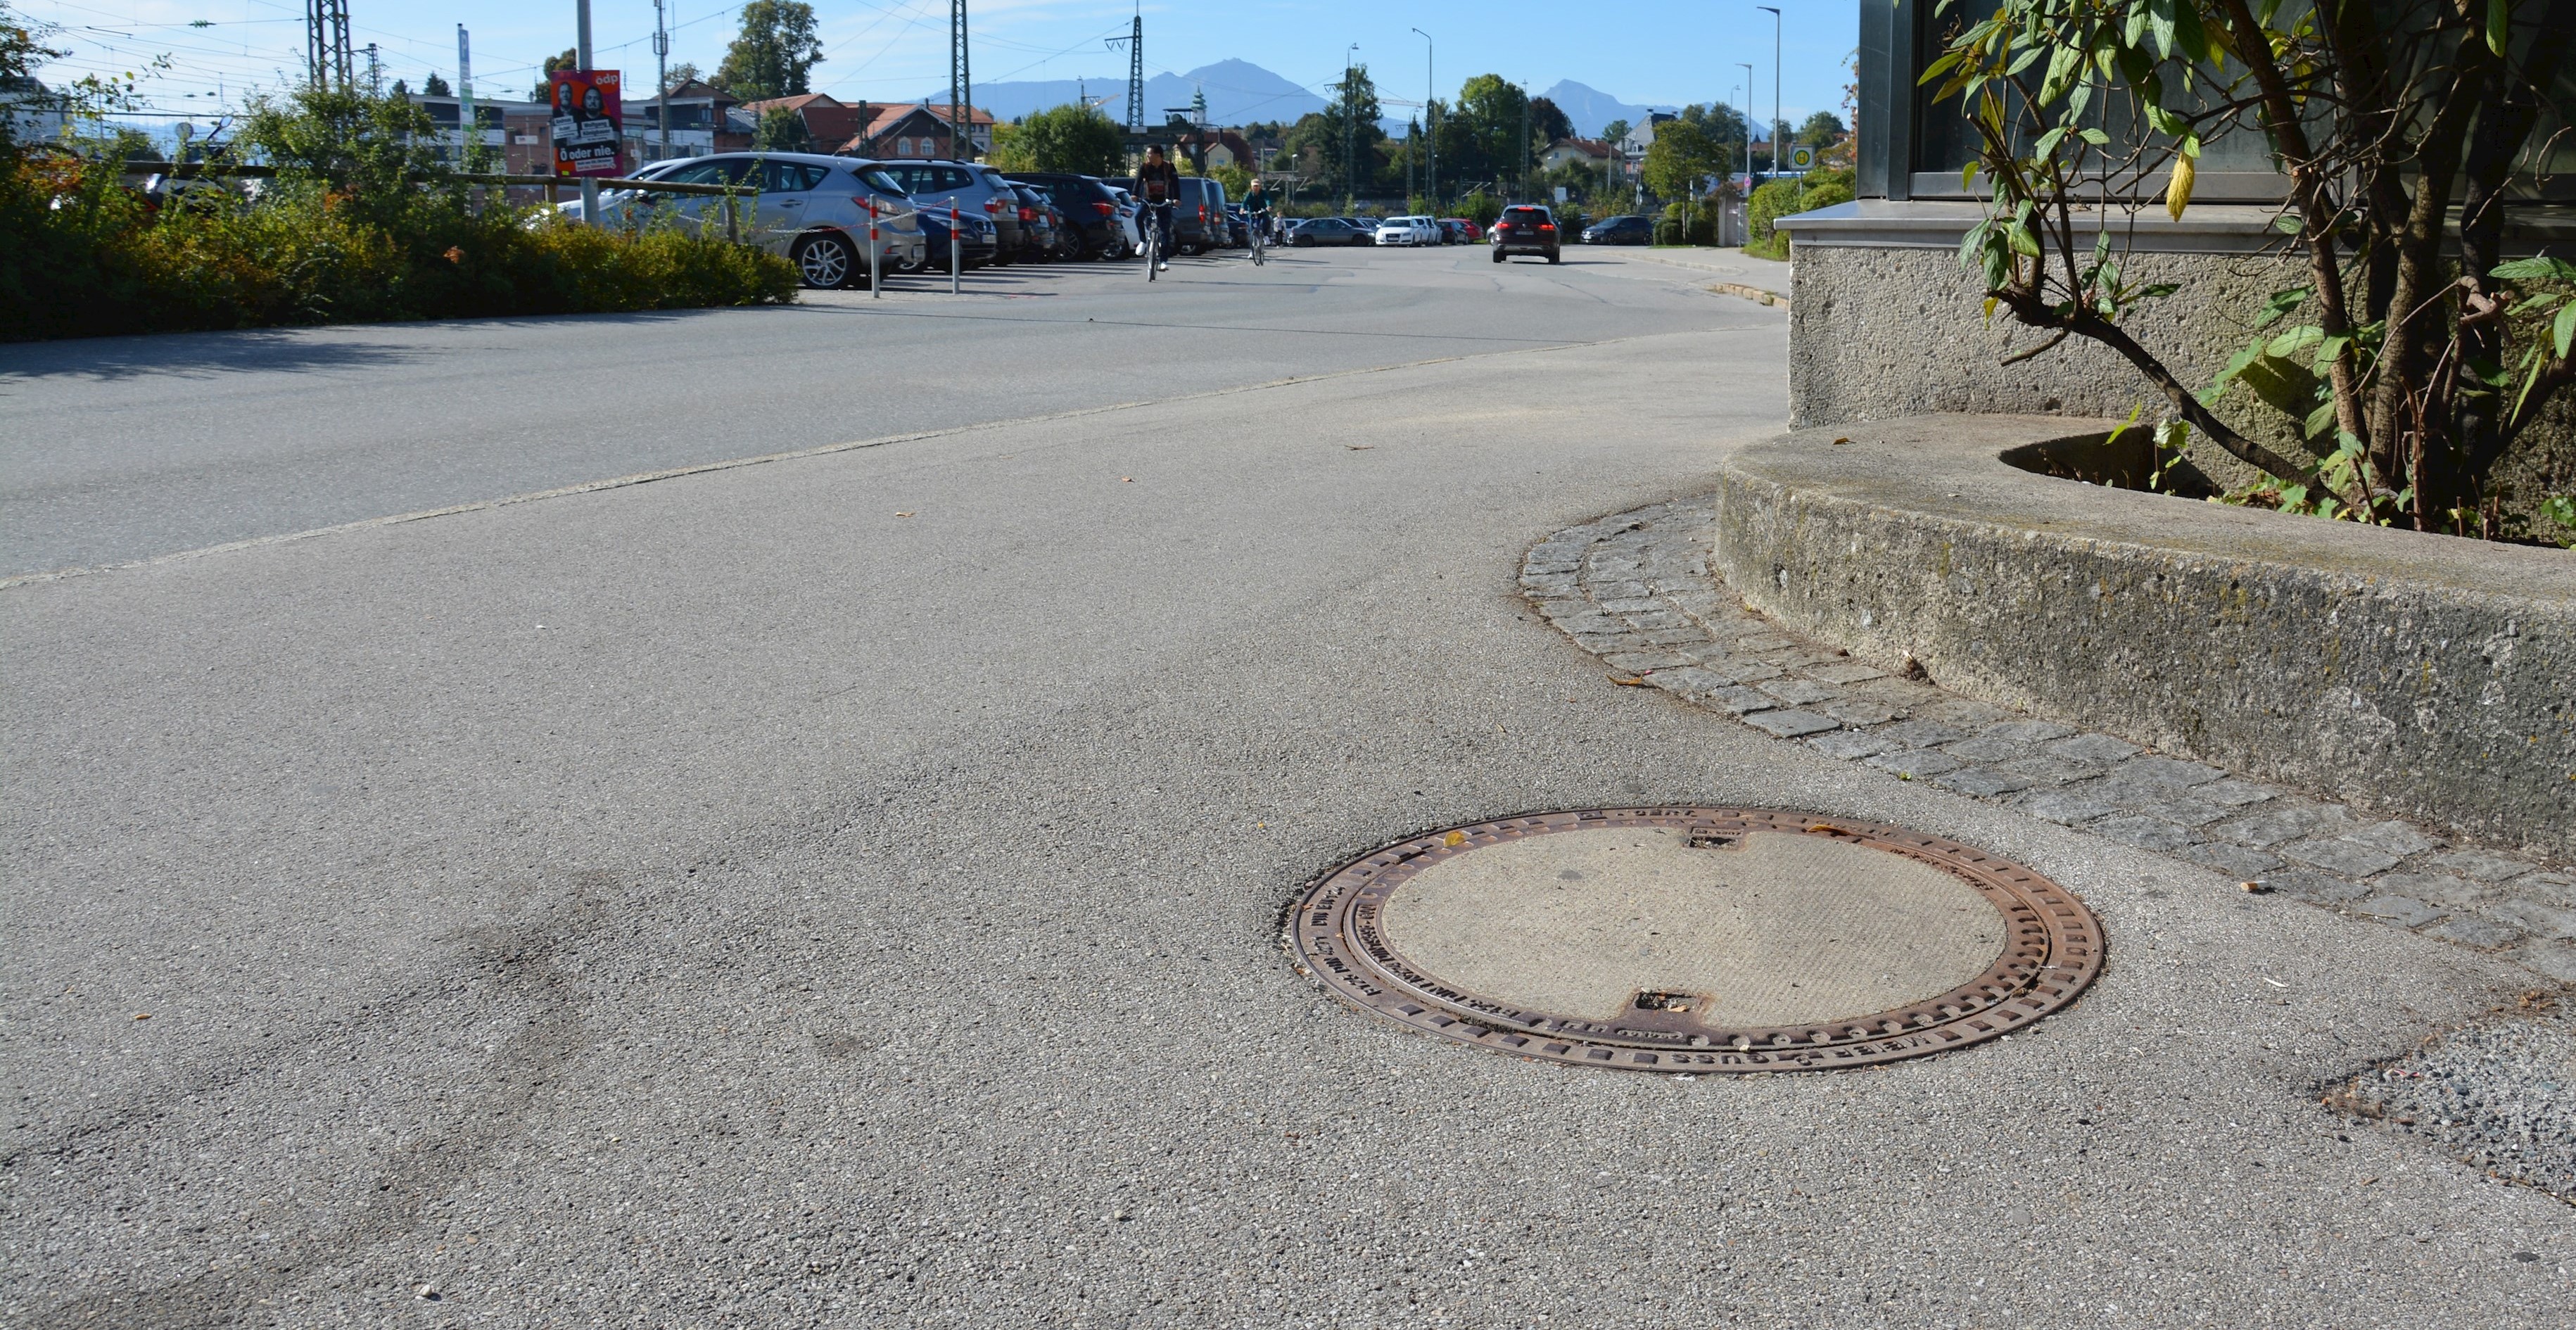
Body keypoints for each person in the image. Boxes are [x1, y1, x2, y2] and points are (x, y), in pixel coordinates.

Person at [1135, 145, 1181, 271]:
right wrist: (1134, 195)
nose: (1147, 156)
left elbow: (1176, 184)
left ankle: (1163, 261)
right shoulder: (1144, 167)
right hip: (1147, 200)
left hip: (1164, 201)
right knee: (1138, 216)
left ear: (1158, 155)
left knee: (1164, 232)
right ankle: (1143, 241)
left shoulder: (1169, 167)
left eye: (1149, 154)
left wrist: (1177, 199)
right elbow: (1138, 181)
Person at [1241, 177, 1273, 242]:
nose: (1255, 188)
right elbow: (1245, 202)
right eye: (1254, 186)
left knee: (1266, 221)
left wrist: (1268, 206)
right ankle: (1252, 249)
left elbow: (1267, 200)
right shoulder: (1249, 194)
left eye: (1257, 186)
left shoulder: (1263, 193)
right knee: (1251, 227)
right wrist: (1242, 208)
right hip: (1252, 211)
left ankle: (1265, 236)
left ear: (1260, 187)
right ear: (1251, 187)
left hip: (1262, 211)